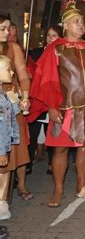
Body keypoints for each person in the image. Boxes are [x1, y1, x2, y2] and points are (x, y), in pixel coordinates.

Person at [29, 2, 85, 207]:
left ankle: (81, 187)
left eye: (82, 22)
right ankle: (58, 189)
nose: (81, 25)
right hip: (63, 109)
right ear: (66, 25)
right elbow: (47, 80)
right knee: (59, 150)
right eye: (76, 22)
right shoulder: (55, 50)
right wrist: (51, 106)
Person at [0, 13, 32, 217]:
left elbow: (23, 75)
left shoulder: (13, 48)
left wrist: (25, 96)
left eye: (9, 28)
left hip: (9, 106)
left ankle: (2, 201)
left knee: (7, 155)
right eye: (3, 28)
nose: (8, 32)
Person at [27, 26, 62, 175]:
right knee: (32, 133)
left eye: (54, 35)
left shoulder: (64, 53)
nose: (50, 38)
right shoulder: (35, 53)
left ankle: (51, 163)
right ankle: (27, 163)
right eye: (48, 35)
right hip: (38, 99)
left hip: (54, 100)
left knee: (53, 133)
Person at [0, 56, 21, 220]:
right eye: (8, 69)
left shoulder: (4, 94)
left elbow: (12, 114)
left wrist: (18, 103)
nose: (12, 72)